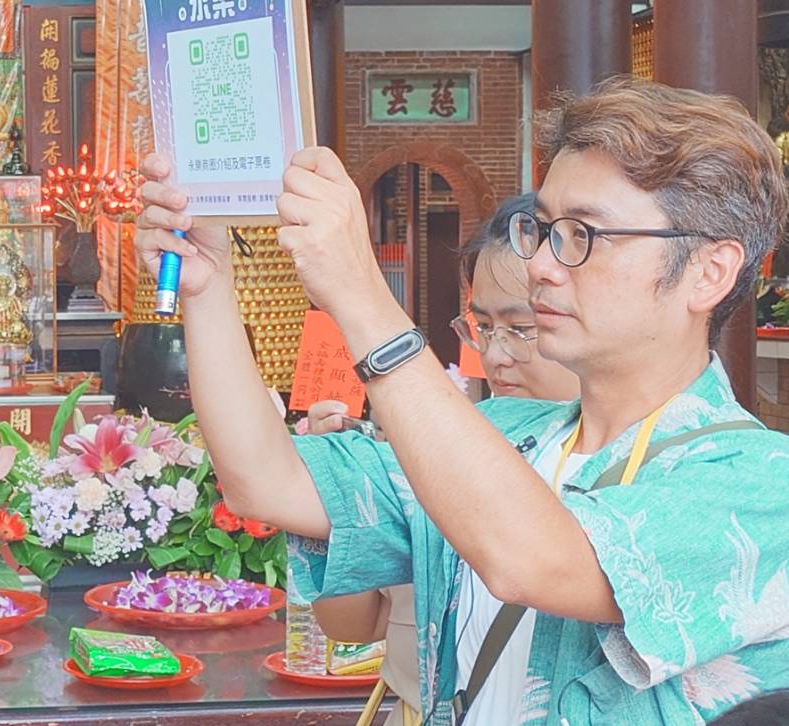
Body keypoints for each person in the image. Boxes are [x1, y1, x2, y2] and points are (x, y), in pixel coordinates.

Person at [135, 78, 789, 723]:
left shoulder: (759, 484)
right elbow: (266, 482)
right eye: (543, 229)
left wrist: (362, 297)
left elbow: (531, 557)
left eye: (583, 234)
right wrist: (207, 288)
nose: (540, 264)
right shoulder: (503, 430)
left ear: (708, 272)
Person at [303, 193, 582, 725]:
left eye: (522, 328)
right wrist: (337, 503)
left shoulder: (629, 471)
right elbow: (354, 622)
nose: (498, 355)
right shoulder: (435, 447)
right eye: (483, 327)